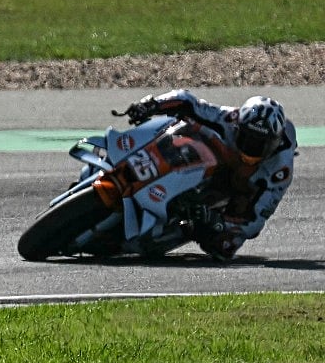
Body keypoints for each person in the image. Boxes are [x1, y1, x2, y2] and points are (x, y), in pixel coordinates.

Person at [122, 90, 296, 261]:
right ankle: (133, 159)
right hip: (214, 158)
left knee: (226, 247)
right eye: (247, 139)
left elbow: (255, 221)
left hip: (236, 189)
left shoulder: (280, 170)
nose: (251, 150)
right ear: (238, 126)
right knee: (180, 126)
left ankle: (181, 226)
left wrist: (217, 222)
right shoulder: (229, 118)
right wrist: (151, 105)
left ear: (275, 142)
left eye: (260, 145)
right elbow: (187, 101)